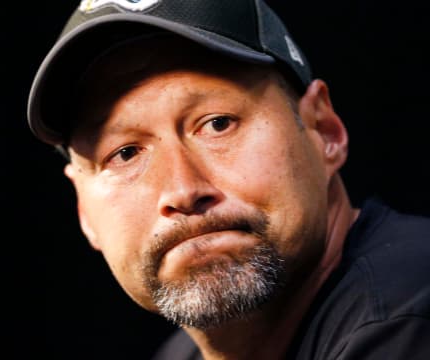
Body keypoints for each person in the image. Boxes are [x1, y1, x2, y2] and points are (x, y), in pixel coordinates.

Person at [25, 0, 430, 358]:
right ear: (84, 213)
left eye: (217, 124)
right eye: (125, 153)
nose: (181, 190)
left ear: (324, 130)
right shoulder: (182, 353)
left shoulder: (408, 316)